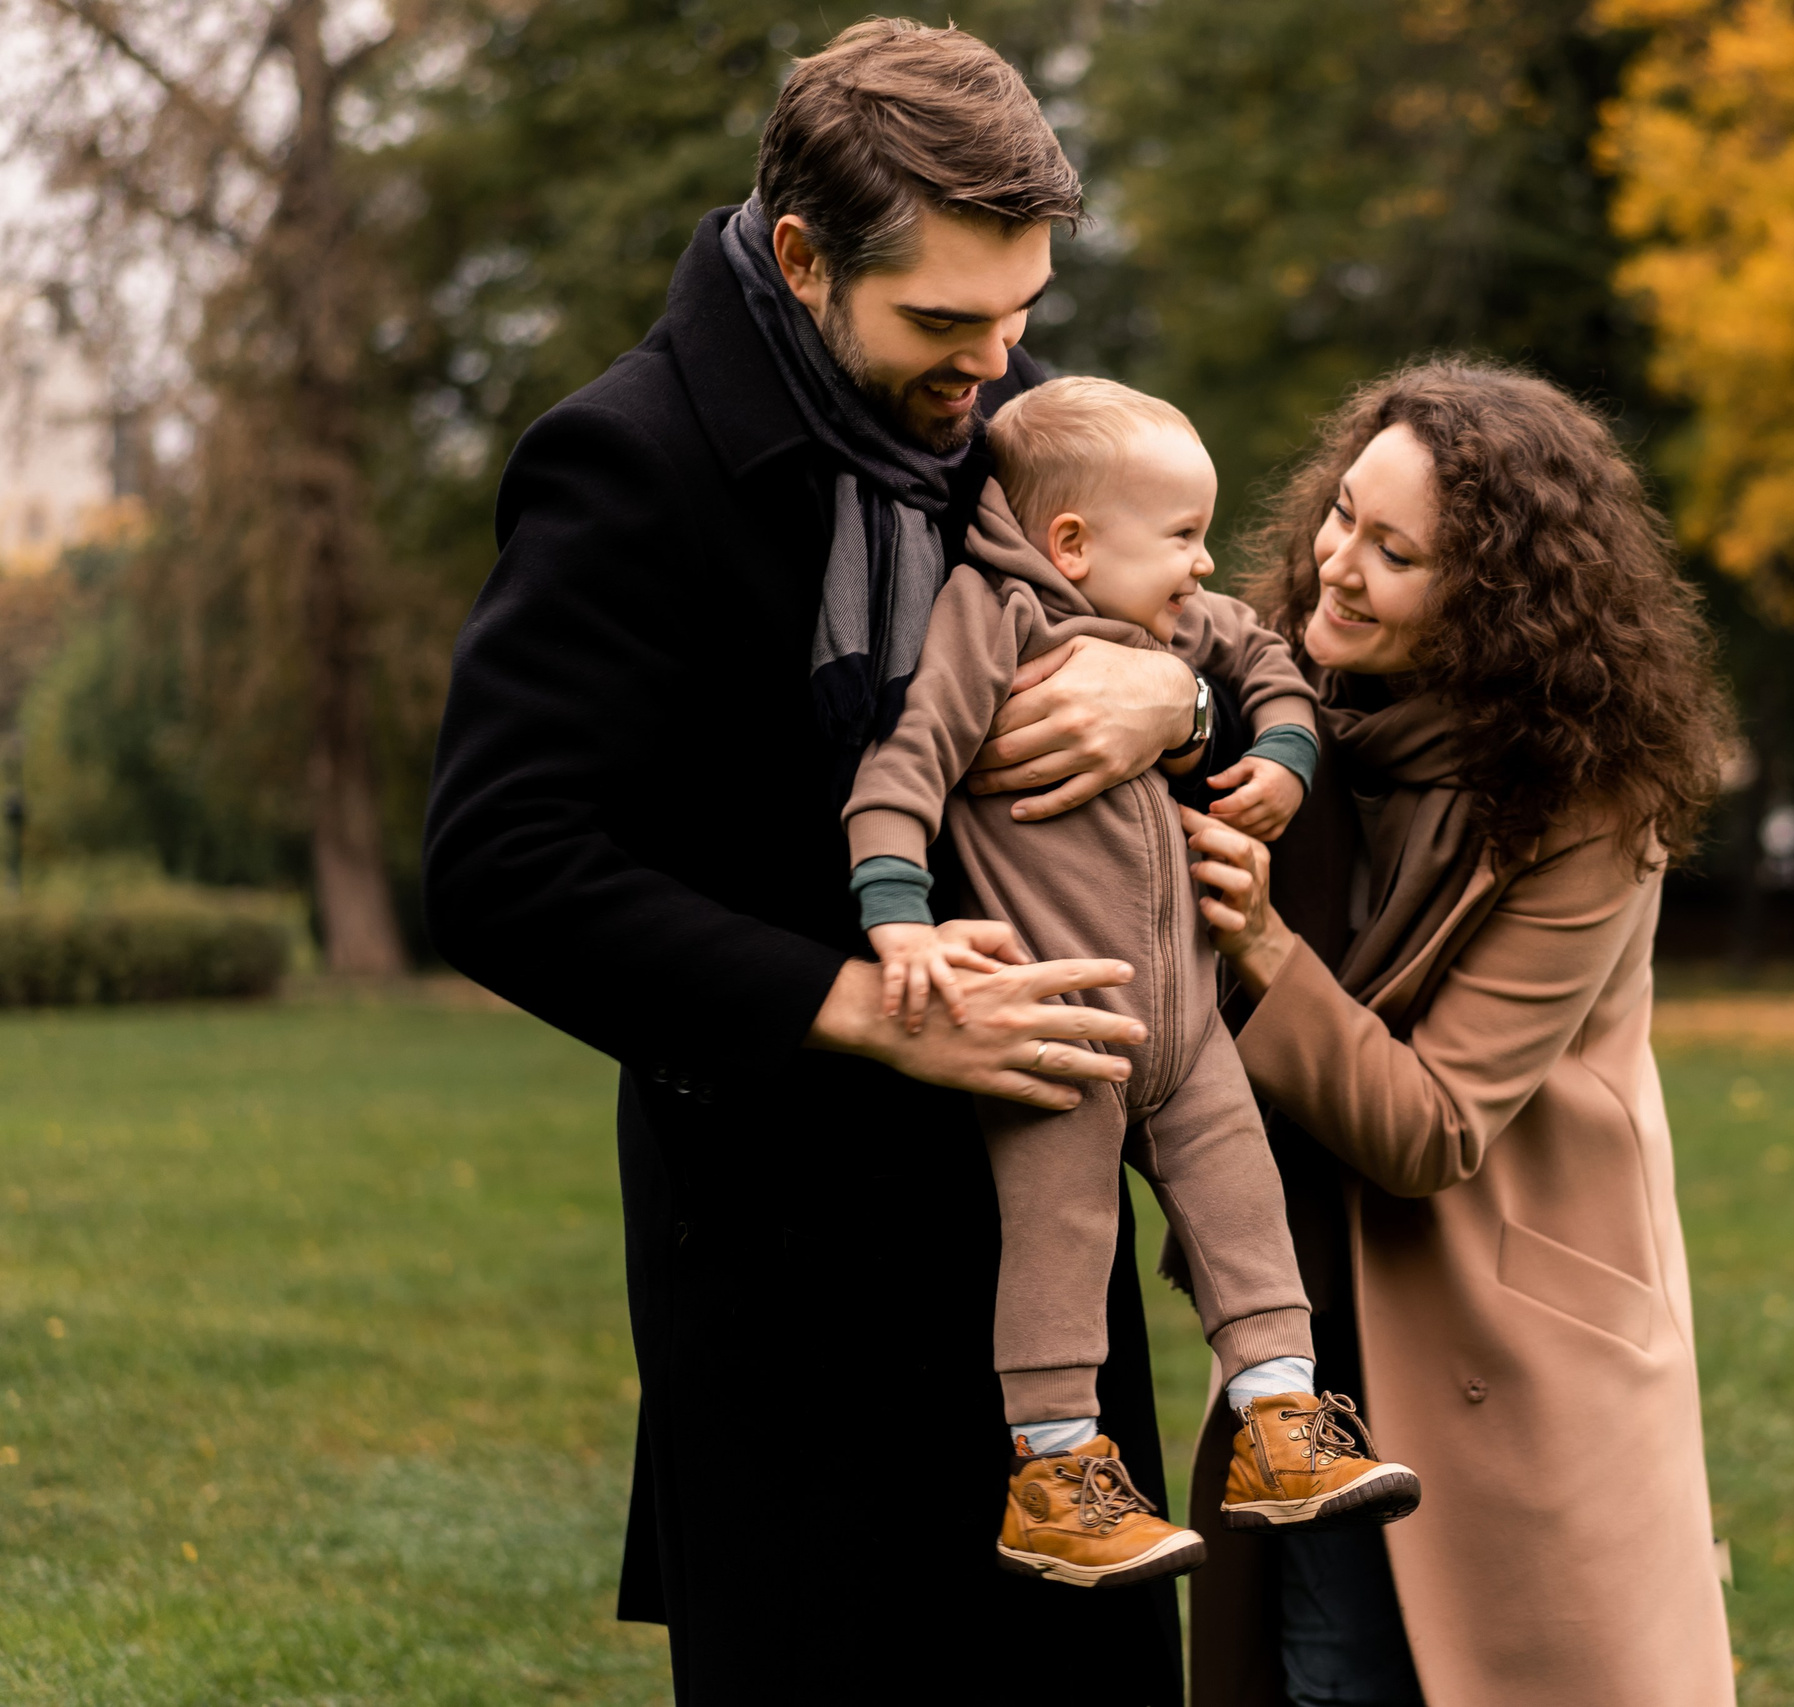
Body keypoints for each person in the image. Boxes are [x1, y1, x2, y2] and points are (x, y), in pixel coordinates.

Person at [424, 22, 1234, 1701]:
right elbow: (500, 861)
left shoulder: (1004, 424)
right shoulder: (627, 468)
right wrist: (858, 1007)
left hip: (1045, 1263)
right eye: (945, 321)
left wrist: (1174, 688)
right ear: (801, 260)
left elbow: (1203, 617)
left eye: (1020, 316)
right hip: (799, 1295)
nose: (992, 364)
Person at [1178, 360, 1741, 1706]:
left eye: (1396, 551)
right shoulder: (1286, 715)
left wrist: (1262, 942)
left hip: (1517, 1329)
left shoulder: (1588, 805)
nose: (1340, 566)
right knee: (1328, 1677)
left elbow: (1431, 1127)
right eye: (1342, 518)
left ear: (1494, 598)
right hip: (1319, 1328)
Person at [840, 376, 1417, 1588]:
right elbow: (903, 767)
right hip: (1064, 1024)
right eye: (1184, 539)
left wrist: (1280, 758)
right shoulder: (987, 621)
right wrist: (897, 918)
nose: (1207, 566)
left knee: (1244, 1213)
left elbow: (1270, 665)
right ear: (1072, 545)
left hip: (1188, 1022)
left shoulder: (1172, 627)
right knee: (1060, 1239)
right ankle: (1054, 1474)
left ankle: (1281, 1427)